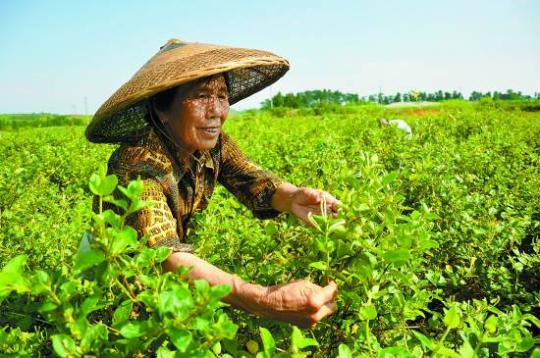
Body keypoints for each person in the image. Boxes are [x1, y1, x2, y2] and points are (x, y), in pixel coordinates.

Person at [85, 38, 341, 328]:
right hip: (112, 271)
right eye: (202, 96)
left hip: (164, 268)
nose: (217, 110)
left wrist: (293, 196)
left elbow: (251, 178)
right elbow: (164, 256)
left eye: (222, 96)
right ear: (162, 109)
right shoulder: (136, 165)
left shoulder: (211, 145)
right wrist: (263, 297)